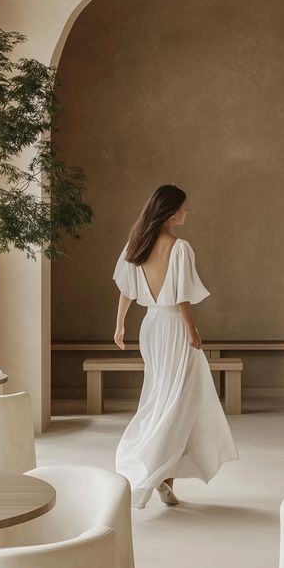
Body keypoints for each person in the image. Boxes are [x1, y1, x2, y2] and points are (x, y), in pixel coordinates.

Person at [113, 184, 238, 508]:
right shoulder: (179, 248)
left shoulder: (136, 244)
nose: (187, 212)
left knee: (163, 396)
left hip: (151, 327)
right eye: (184, 207)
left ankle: (165, 476)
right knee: (180, 400)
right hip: (174, 327)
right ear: (171, 212)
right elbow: (182, 297)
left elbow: (127, 290)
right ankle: (154, 470)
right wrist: (193, 332)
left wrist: (120, 324)